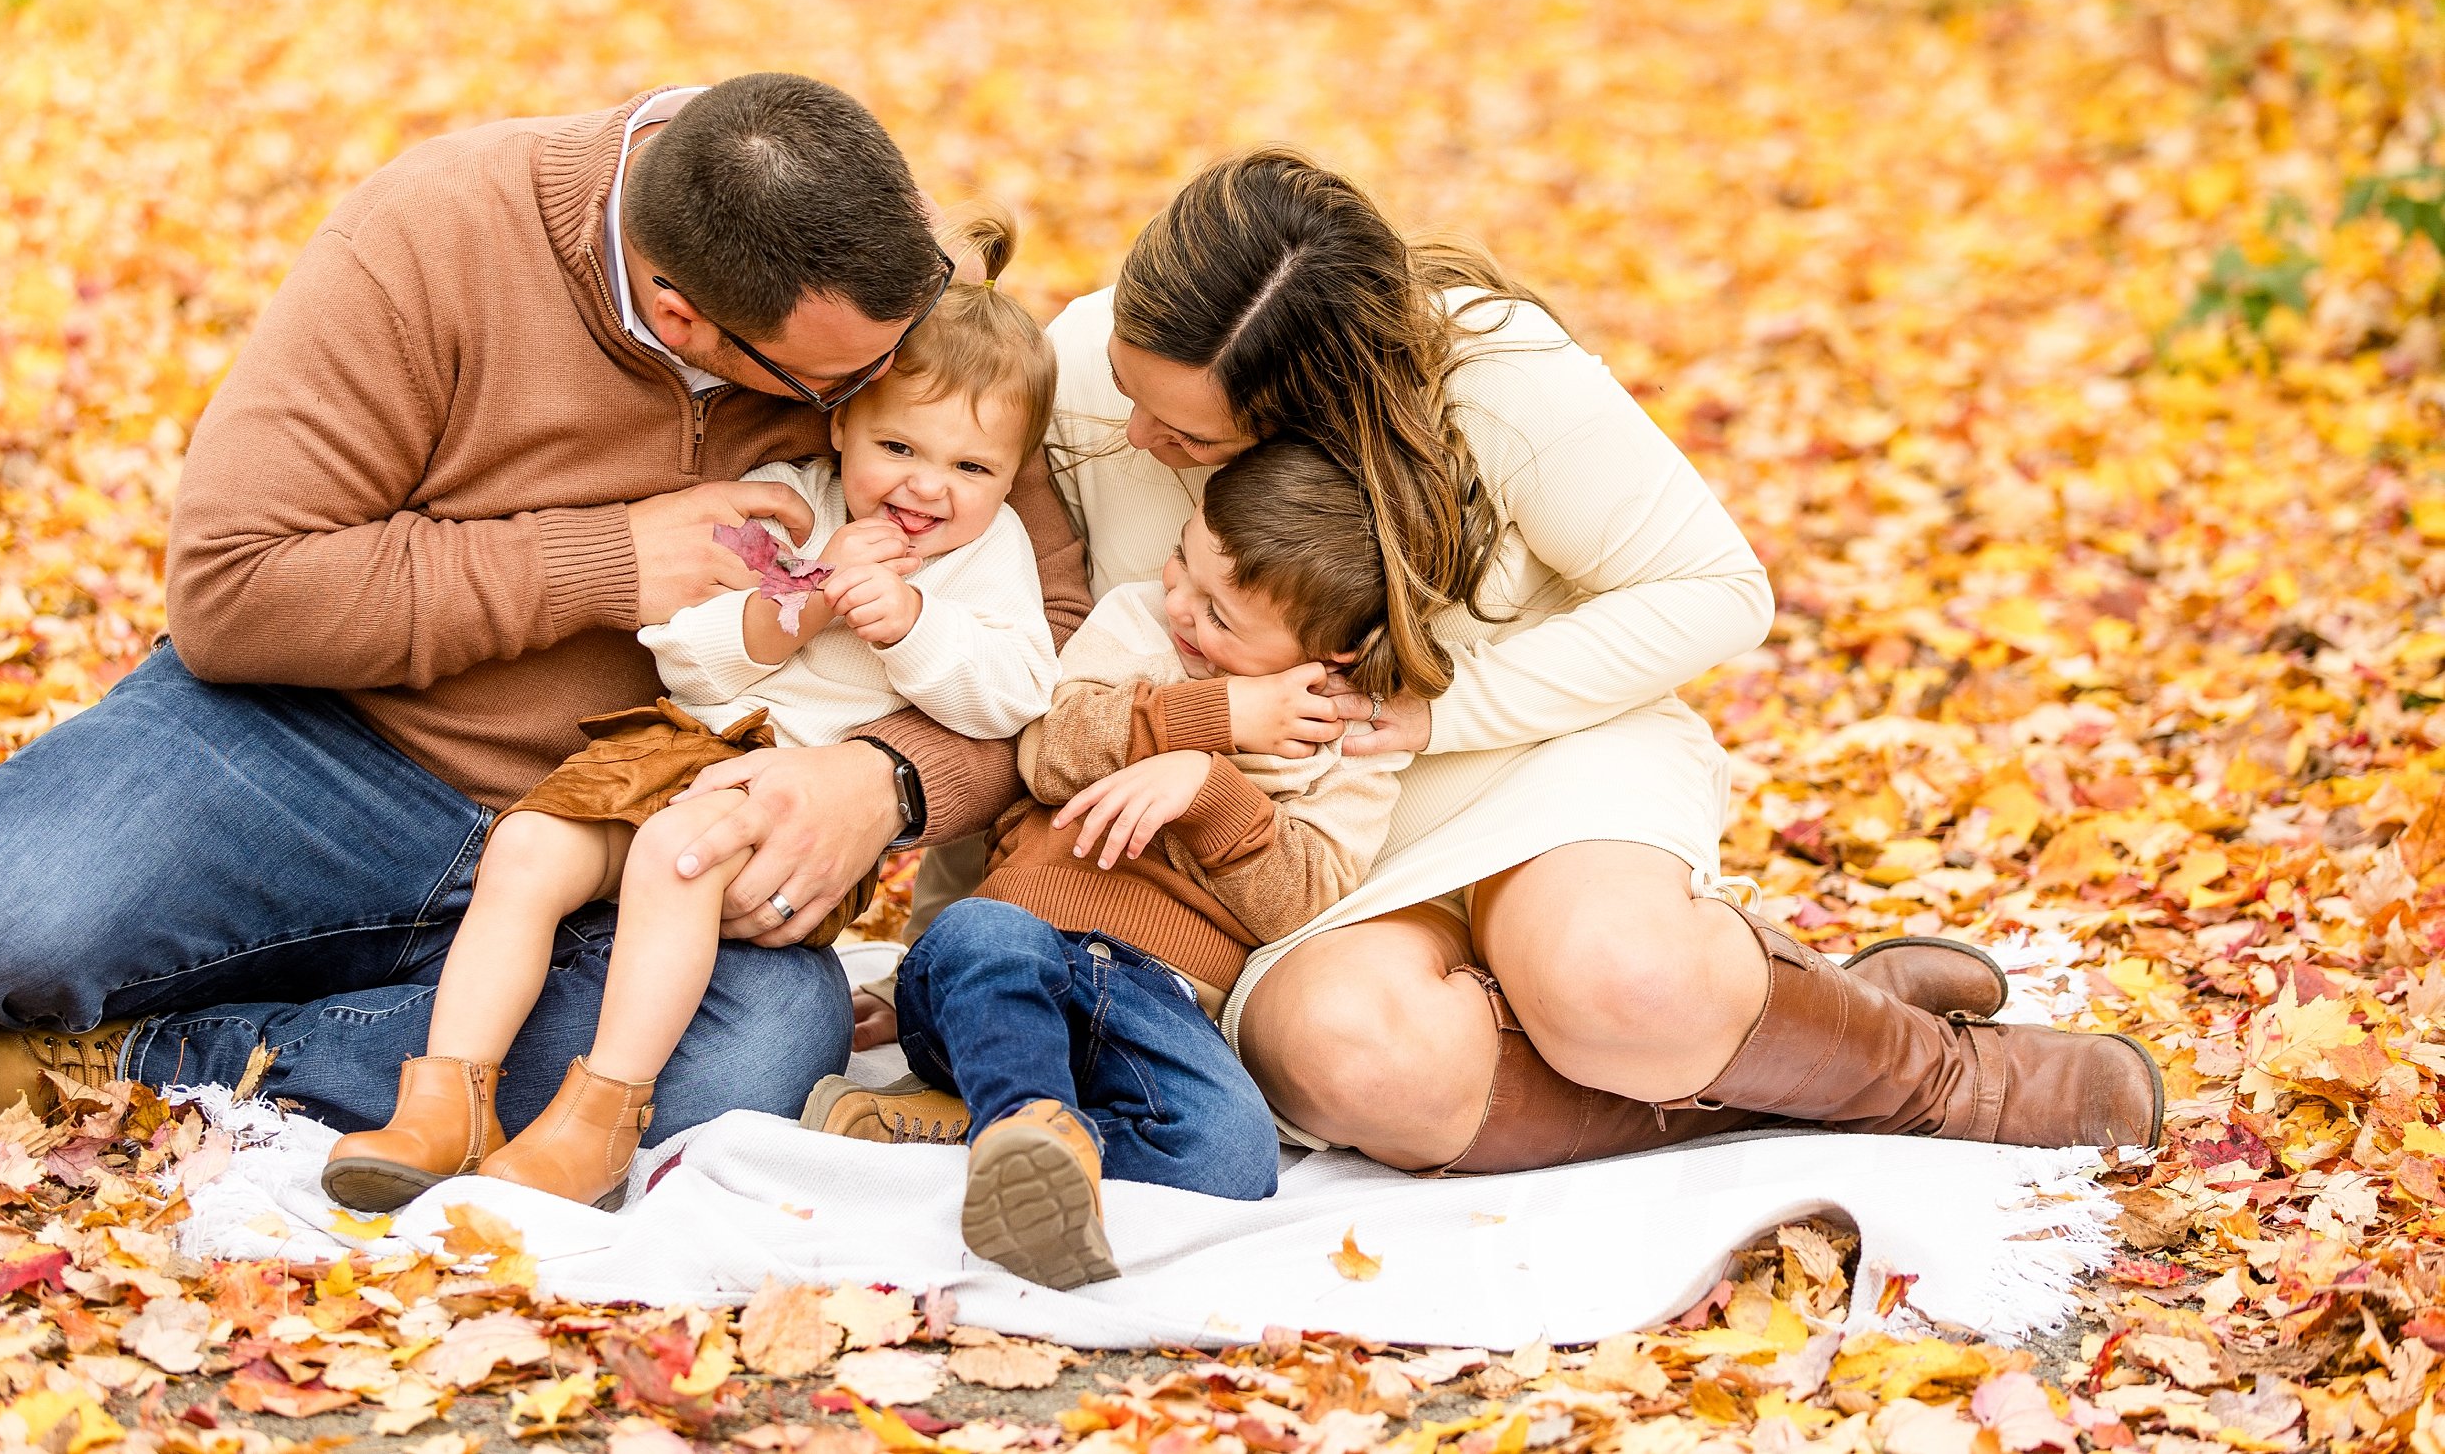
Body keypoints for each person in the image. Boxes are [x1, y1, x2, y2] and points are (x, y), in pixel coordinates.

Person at [852, 147, 2160, 1174]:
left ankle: (1937, 1076)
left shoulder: (1496, 376)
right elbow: (1050, 677)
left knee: (1615, 980)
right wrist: (960, 952)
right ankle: (1772, 1085)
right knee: (1352, 1057)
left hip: (1530, 756)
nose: (1135, 431)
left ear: (1316, 410)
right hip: (1300, 855)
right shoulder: (1084, 376)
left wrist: (1441, 714)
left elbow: (1716, 589)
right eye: (1130, 385)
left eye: (1184, 430)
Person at [0, 76, 1092, 1145]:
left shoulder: (882, 294)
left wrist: (888, 779)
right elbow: (234, 583)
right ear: (683, 316)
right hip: (318, 746)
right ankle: (315, 984)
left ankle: (129, 1054)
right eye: (836, 392)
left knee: (750, 1052)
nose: (872, 399)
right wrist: (604, 560)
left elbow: (1054, 630)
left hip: (641, 832)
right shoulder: (433, 236)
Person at [321, 209, 1061, 1212]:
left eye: (971, 468)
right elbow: (685, 650)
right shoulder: (787, 503)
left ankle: (599, 1121)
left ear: (1011, 474)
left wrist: (914, 626)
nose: (928, 487)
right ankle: (446, 1101)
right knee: (529, 845)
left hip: (786, 797)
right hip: (679, 744)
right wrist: (789, 606)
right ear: (841, 423)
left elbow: (1016, 692)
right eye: (897, 444)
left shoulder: (988, 555)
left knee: (680, 854)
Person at [842, 439, 1409, 1289]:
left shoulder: (1351, 740)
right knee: (980, 936)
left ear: (1334, 653)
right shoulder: (1135, 623)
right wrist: (1212, 713)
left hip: (1160, 997)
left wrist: (1209, 786)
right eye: (1183, 556)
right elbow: (1044, 752)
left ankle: (996, 1133)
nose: (1179, 601)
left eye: (1221, 617)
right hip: (1020, 941)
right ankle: (1028, 1121)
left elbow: (1305, 898)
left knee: (1232, 1156)